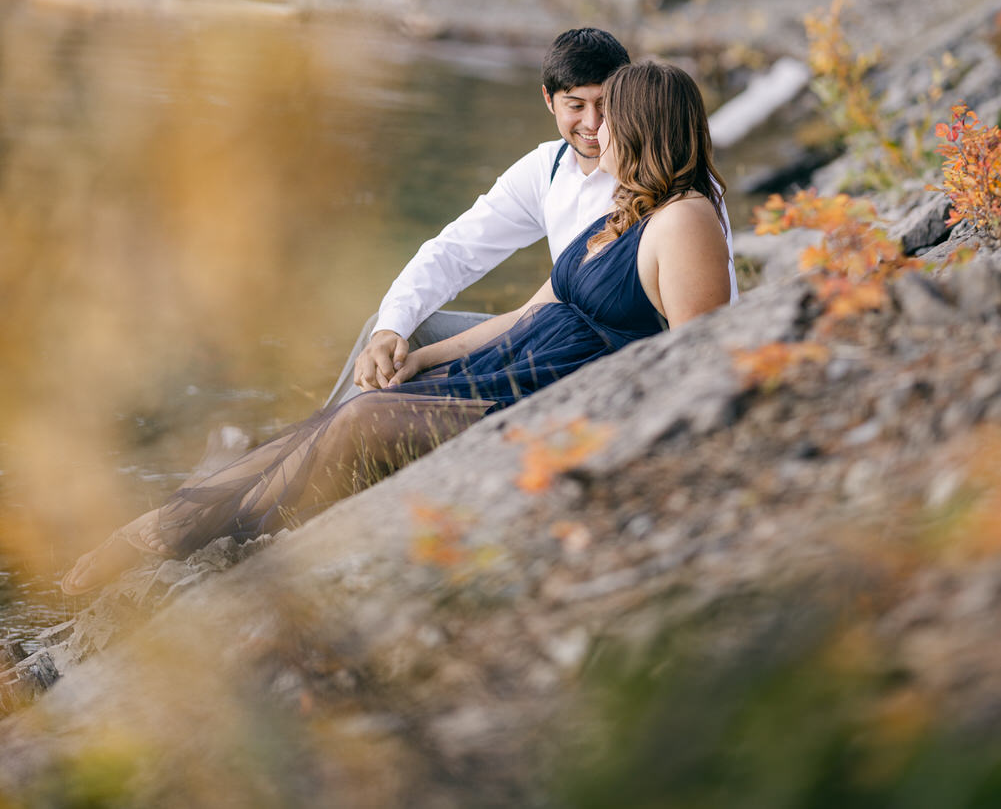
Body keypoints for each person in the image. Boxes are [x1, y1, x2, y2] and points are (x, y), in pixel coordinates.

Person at [60, 60, 734, 595]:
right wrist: (419, 352)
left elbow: (698, 359)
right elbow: (527, 309)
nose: (595, 133)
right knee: (365, 398)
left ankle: (205, 530)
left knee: (359, 422)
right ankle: (175, 522)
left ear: (645, 127)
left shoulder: (685, 220)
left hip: (554, 398)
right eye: (583, 113)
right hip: (516, 366)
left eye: (609, 120)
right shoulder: (617, 208)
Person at [336, 28, 736, 404]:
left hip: (599, 362)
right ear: (549, 100)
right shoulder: (546, 167)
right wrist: (390, 327)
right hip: (548, 335)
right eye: (576, 106)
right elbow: (456, 250)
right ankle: (333, 456)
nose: (594, 125)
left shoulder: (673, 196)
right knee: (397, 334)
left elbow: (710, 310)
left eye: (605, 107)